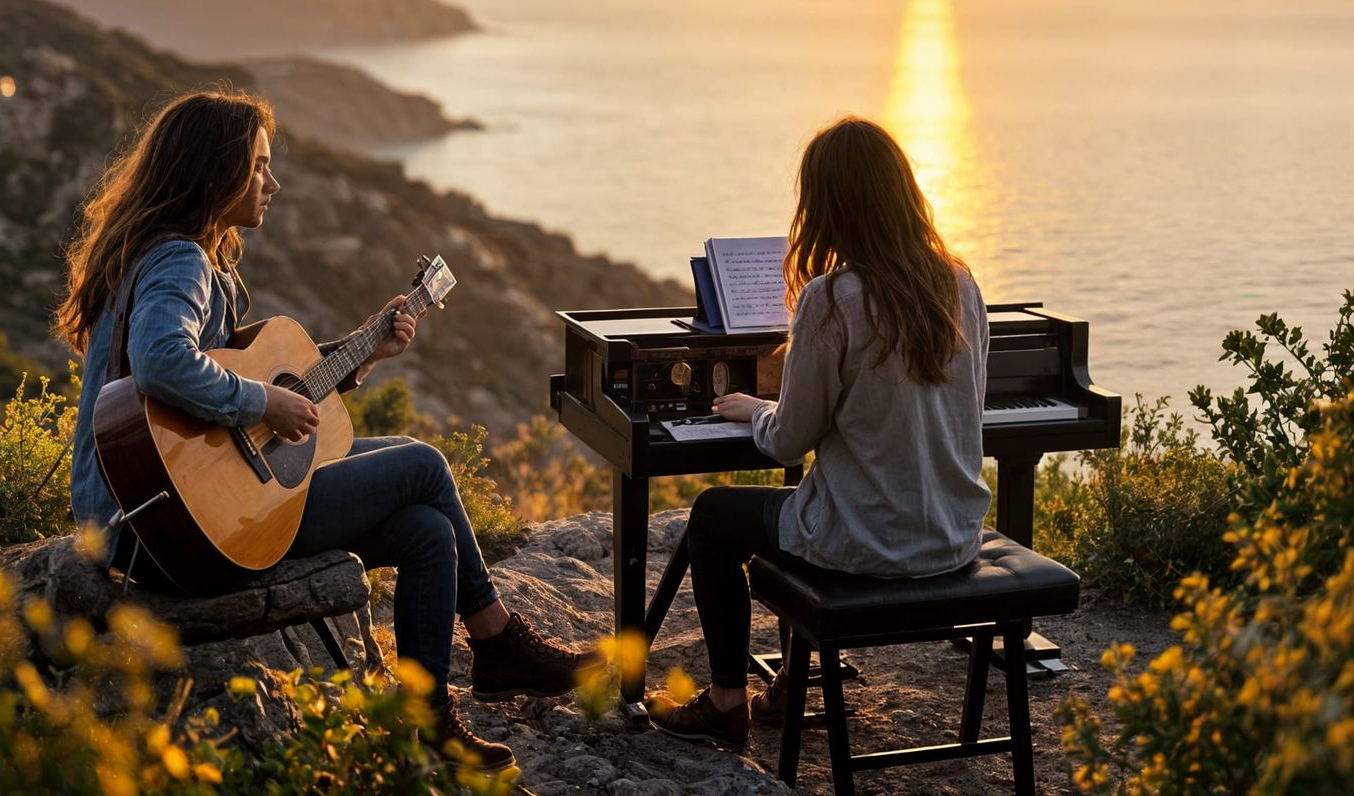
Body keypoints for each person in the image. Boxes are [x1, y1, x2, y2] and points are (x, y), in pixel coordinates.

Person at [56, 89, 591, 773]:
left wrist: (364, 352)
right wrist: (262, 405)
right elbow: (163, 363)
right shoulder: (180, 259)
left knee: (427, 531)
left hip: (151, 520)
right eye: (257, 167)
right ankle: (496, 640)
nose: (272, 184)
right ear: (210, 173)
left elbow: (230, 400)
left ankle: (425, 723)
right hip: (167, 535)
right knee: (423, 465)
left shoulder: (152, 252)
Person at [647, 115, 991, 750]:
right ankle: (786, 689)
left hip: (870, 542)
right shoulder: (961, 285)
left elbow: (786, 441)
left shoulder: (833, 299)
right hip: (953, 537)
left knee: (715, 516)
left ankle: (726, 702)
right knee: (800, 502)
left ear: (827, 205)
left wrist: (754, 408)